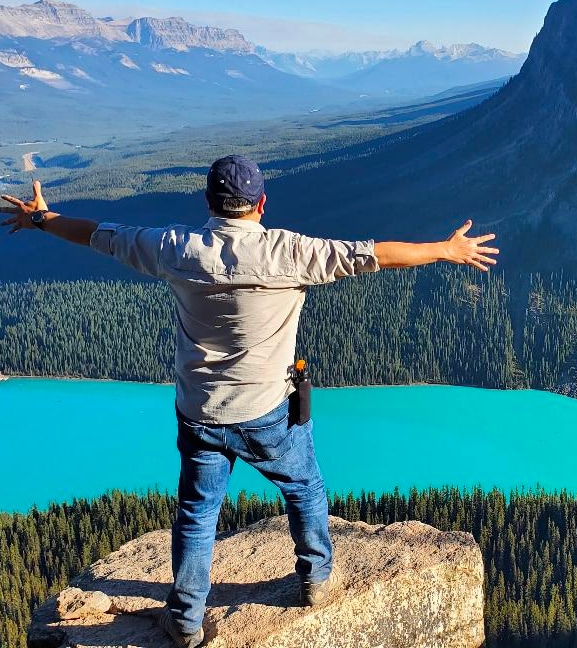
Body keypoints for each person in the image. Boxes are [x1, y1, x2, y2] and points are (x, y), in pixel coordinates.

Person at [1, 156, 499, 648]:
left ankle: (188, 620)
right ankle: (315, 580)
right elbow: (374, 254)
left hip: (200, 412)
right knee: (304, 487)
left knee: (198, 513)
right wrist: (445, 249)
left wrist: (42, 218)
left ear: (209, 202)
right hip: (268, 414)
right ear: (261, 203)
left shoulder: (174, 247)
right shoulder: (290, 252)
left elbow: (98, 234)